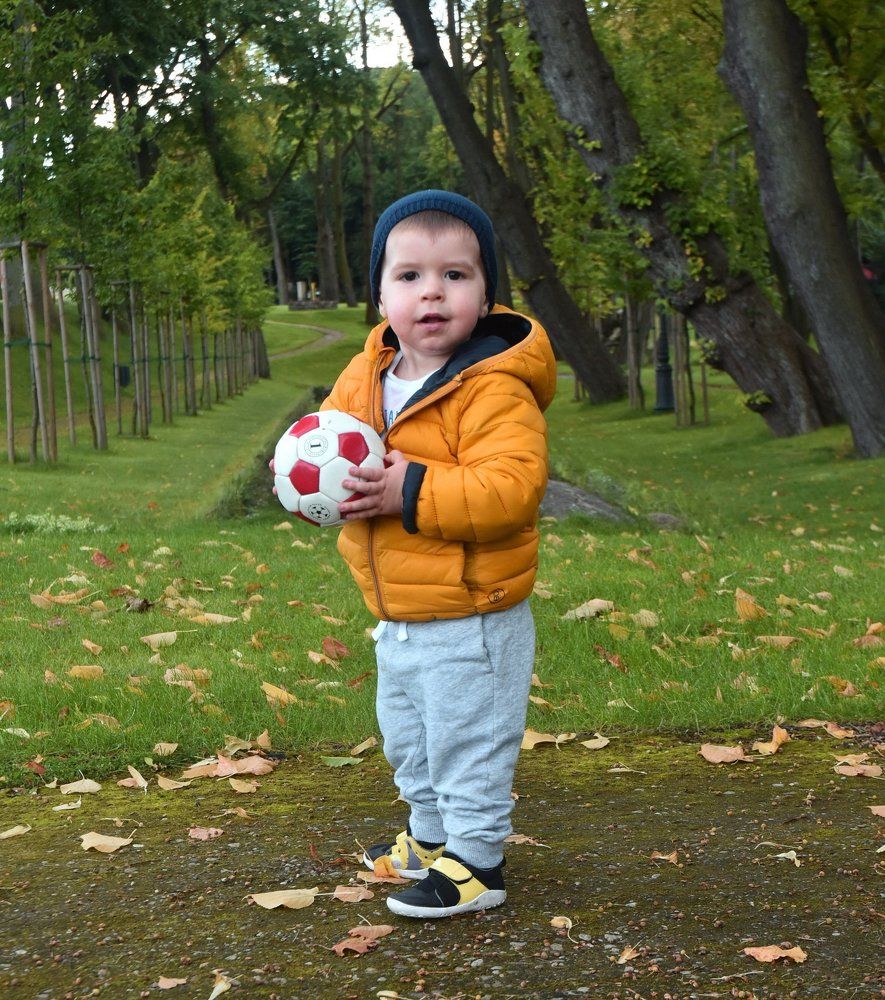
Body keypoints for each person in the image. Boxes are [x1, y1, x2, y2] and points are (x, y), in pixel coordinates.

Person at [321, 189, 556, 919]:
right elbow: (329, 450)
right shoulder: (367, 376)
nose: (432, 292)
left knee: (466, 745)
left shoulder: (493, 389)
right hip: (397, 612)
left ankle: (479, 862)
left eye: (455, 275)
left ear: (485, 294)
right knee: (410, 742)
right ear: (380, 292)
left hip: (472, 614)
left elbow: (509, 489)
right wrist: (320, 489)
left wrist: (408, 491)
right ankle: (427, 840)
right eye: (409, 275)